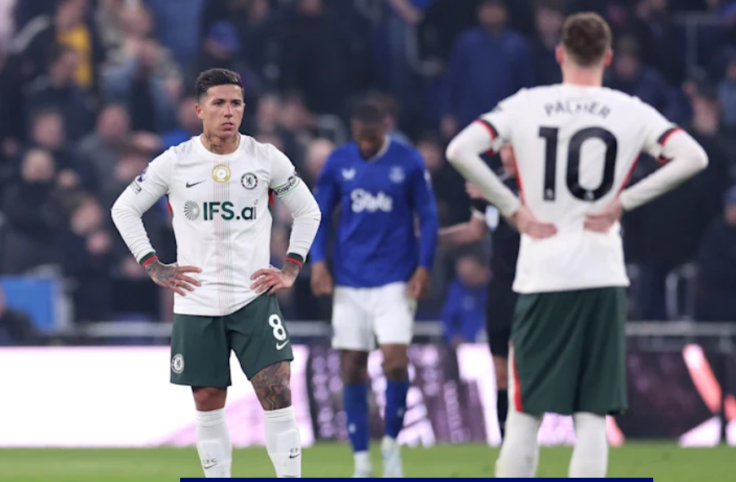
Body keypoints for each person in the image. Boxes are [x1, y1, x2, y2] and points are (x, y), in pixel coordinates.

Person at [445, 12, 709, 478]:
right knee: (591, 414)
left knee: (526, 411)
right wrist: (623, 202)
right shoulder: (629, 109)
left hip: (542, 272)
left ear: (559, 53)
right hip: (601, 273)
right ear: (607, 57)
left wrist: (514, 208)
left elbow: (460, 150)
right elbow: (693, 155)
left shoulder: (527, 104)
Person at [110, 68, 322, 478]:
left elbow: (308, 210)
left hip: (254, 298)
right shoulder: (175, 161)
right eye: (219, 103)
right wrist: (152, 264)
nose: (229, 112)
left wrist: (292, 266)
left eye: (236, 103)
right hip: (196, 301)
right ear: (198, 110)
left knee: (276, 393)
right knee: (208, 400)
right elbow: (124, 208)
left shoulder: (266, 158)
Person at [308, 99, 438, 478]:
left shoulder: (408, 162)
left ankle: (392, 446)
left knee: (396, 361)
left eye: (372, 138)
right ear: (353, 131)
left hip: (396, 279)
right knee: (352, 367)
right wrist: (318, 262)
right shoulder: (338, 163)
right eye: (360, 139)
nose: (365, 146)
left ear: (385, 128)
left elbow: (427, 217)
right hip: (350, 280)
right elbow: (320, 216)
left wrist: (424, 267)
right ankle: (362, 461)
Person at [438, 142, 522, 438]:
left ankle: (530, 440)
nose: (507, 154)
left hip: (532, 285)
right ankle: (506, 443)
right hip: (499, 287)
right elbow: (475, 230)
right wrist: (430, 239)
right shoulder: (494, 182)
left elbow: (526, 225)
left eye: (513, 148)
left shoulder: (537, 186)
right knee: (500, 370)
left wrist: (493, 195)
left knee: (524, 370)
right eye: (504, 148)